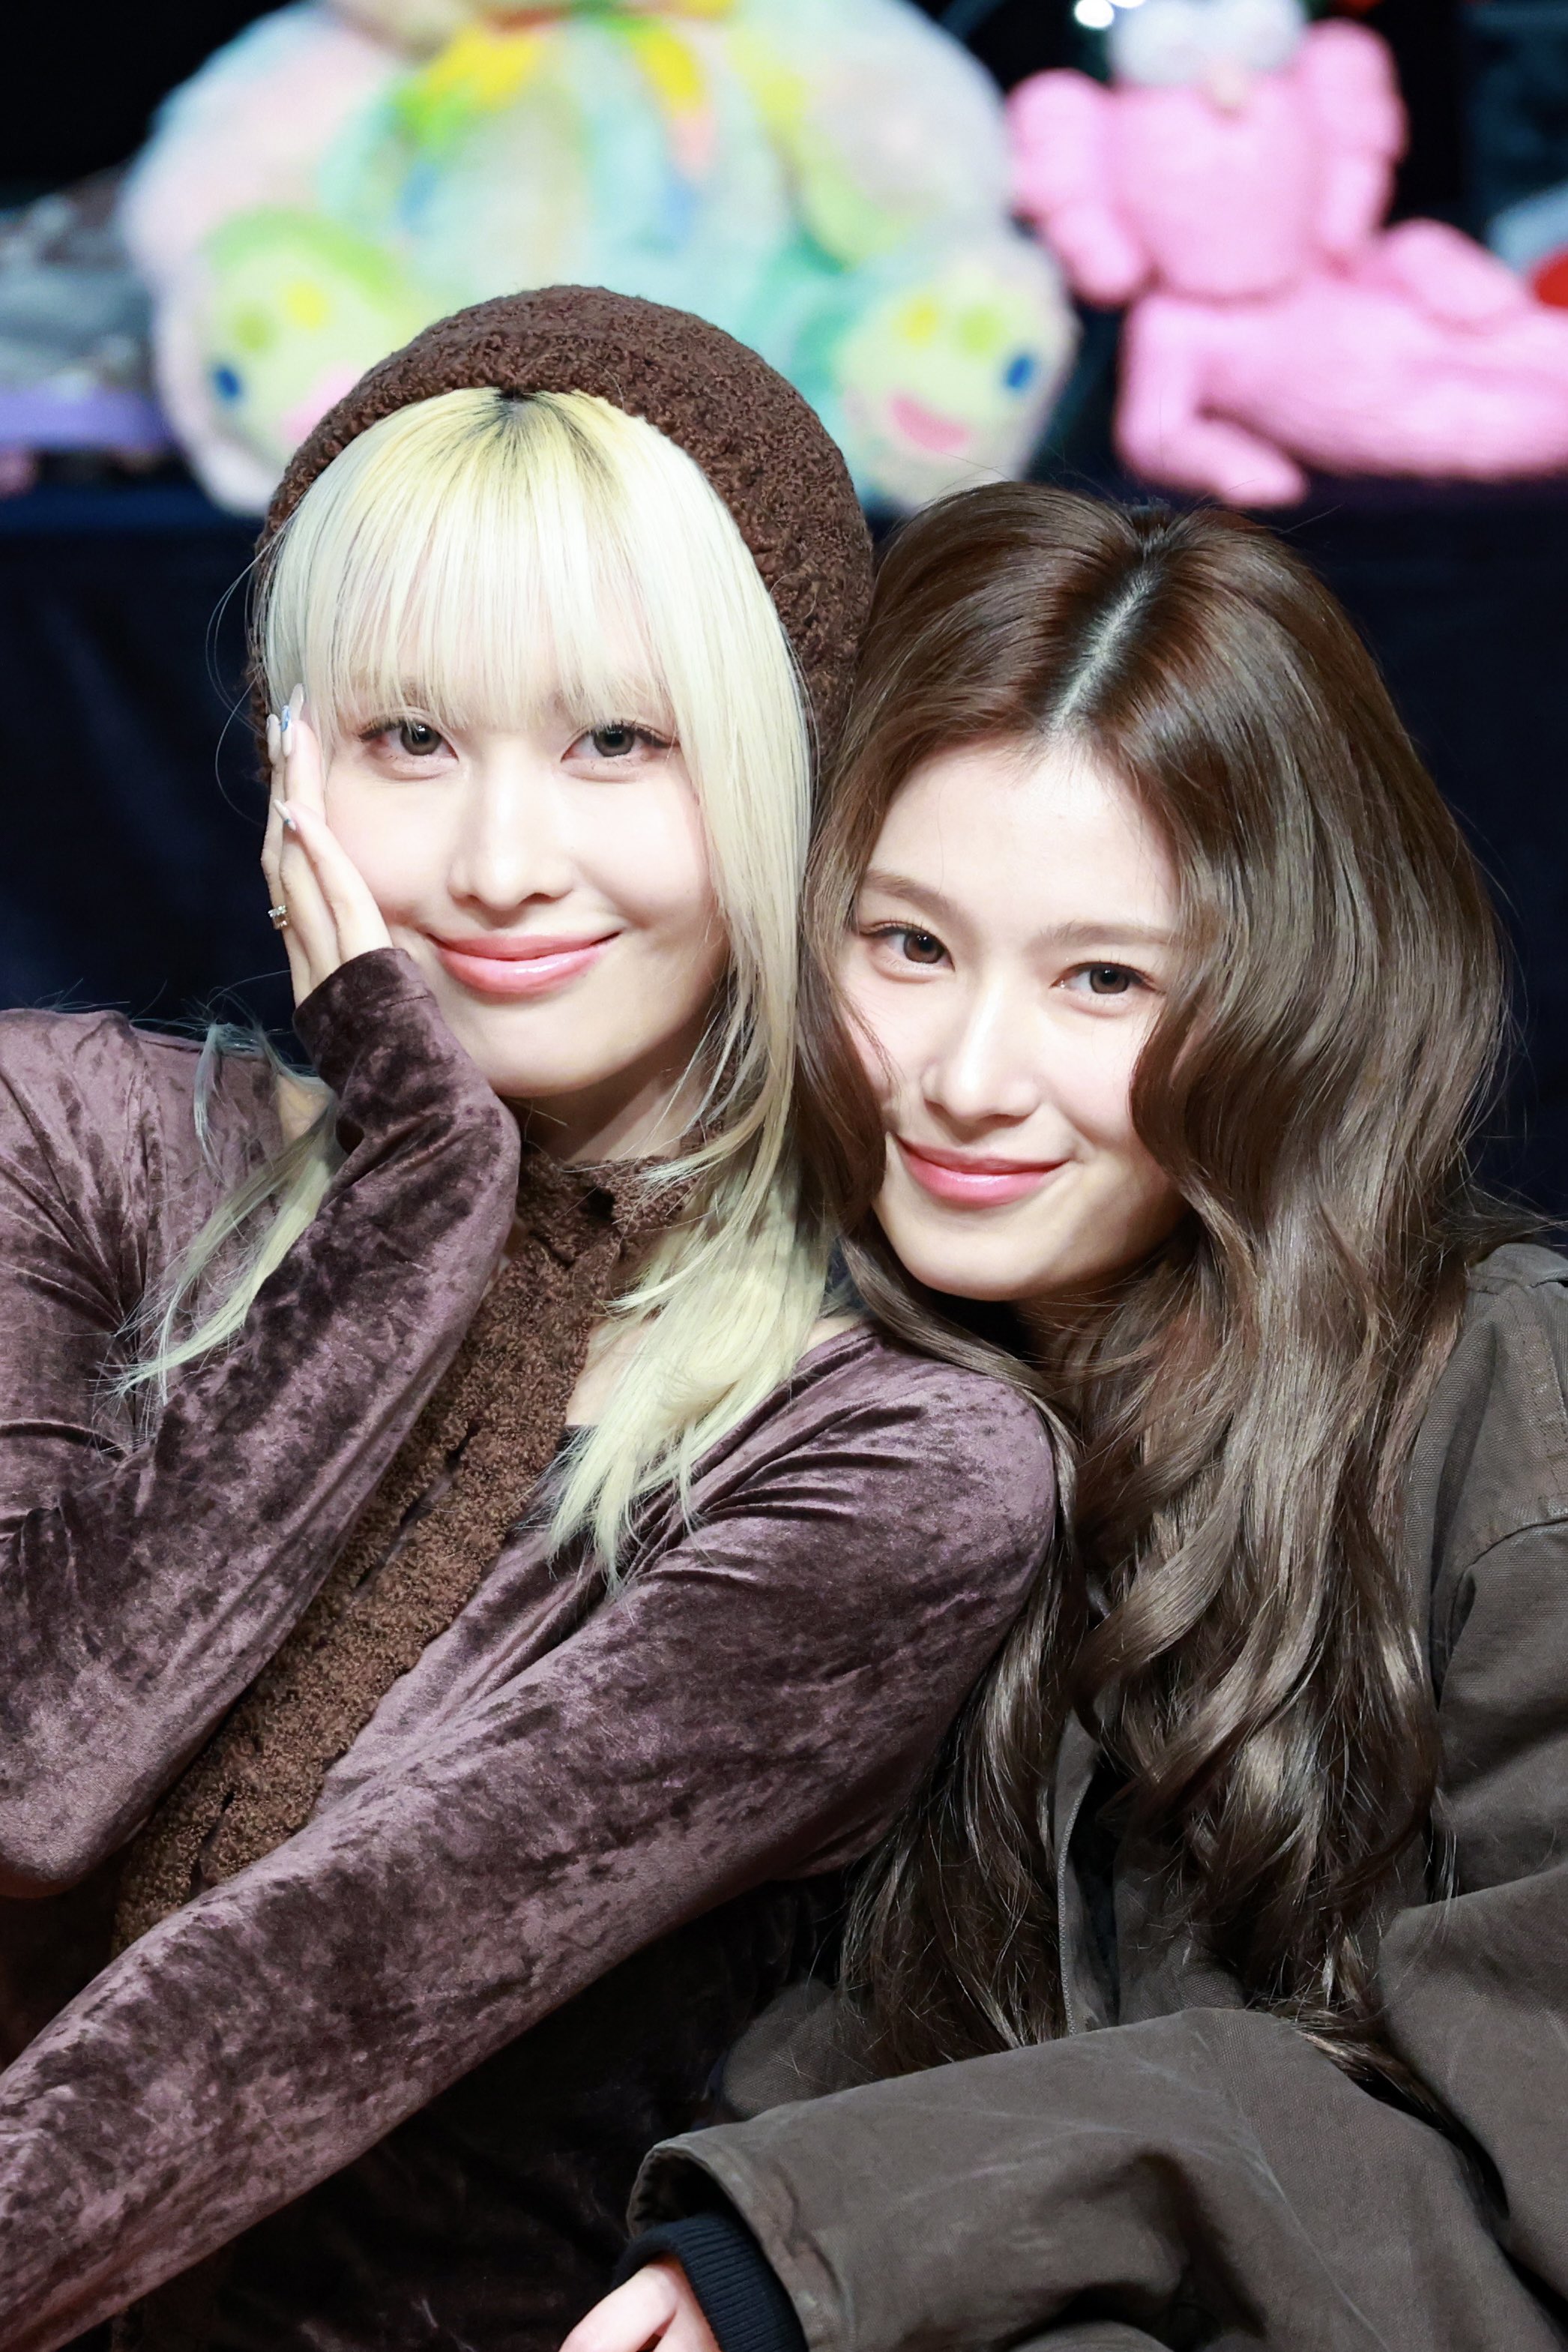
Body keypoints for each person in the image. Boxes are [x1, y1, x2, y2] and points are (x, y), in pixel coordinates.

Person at [0, 295, 1057, 2352]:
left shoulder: (893, 1454)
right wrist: (406, 1205)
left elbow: (303, 1996)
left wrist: (426, 1170)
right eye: (409, 739)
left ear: (774, 765)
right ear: (288, 760)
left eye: (616, 743)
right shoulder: (69, 1138)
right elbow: (35, 1772)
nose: (498, 863)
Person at [567, 483, 1568, 2352]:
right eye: (906, 945)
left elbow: (1528, 2225)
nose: (964, 1079)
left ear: (1290, 1006)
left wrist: (842, 2235)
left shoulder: (1513, 1425)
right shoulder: (869, 1427)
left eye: (1101, 978)